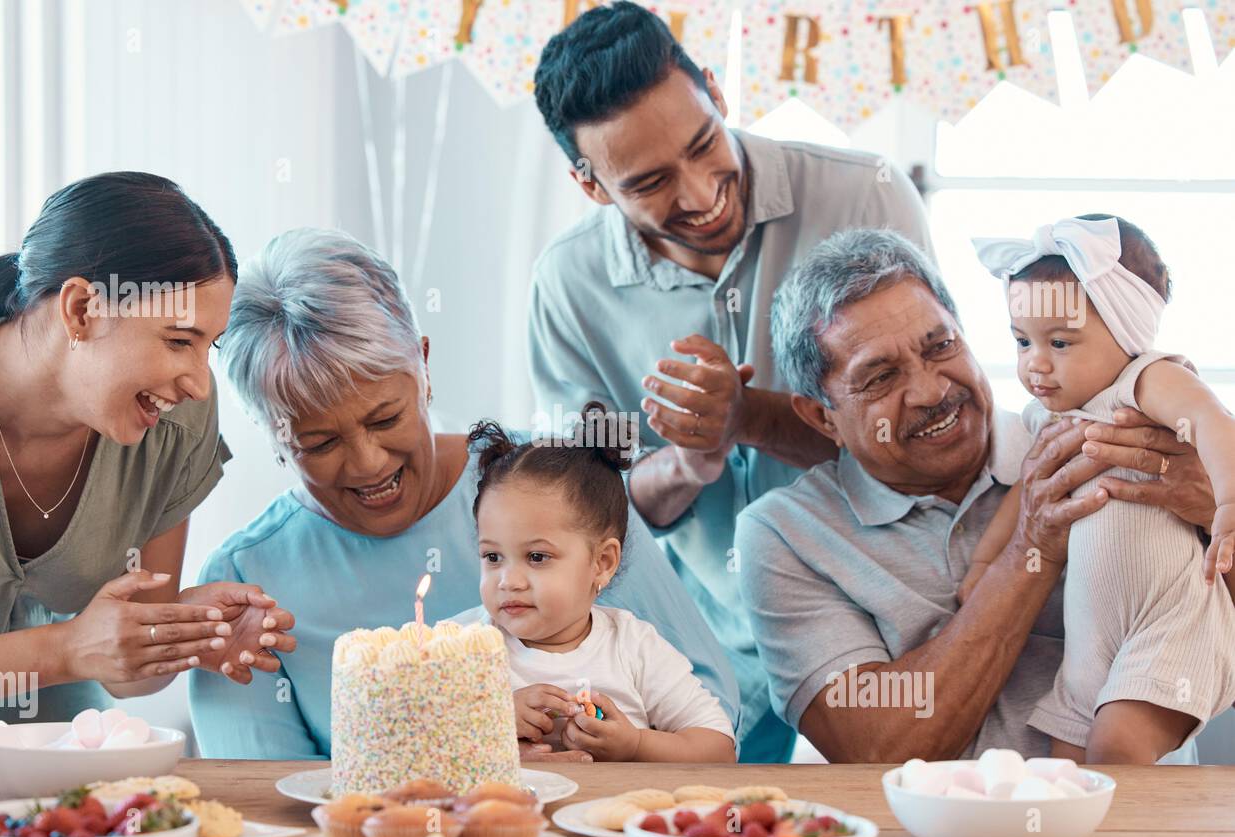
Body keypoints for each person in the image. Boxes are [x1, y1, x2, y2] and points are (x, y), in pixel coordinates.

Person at [527, 1, 934, 761]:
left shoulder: (866, 198)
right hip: (701, 635)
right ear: (591, 187)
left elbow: (931, 439)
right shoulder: (568, 286)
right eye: (648, 182)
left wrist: (746, 415)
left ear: (715, 89)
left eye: (703, 143)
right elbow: (582, 514)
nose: (700, 193)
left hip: (893, 616)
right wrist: (685, 464)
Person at [188, 227, 739, 760]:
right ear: (272, 437)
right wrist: (482, 761)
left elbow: (708, 707)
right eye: (319, 441)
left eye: (386, 418)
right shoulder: (241, 584)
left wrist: (602, 758)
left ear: (423, 364)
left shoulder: (557, 481)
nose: (368, 463)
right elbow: (262, 790)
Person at [735, 228, 1232, 761]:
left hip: (1140, 824)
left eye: (941, 346)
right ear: (821, 417)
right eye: (880, 377)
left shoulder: (1115, 439)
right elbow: (873, 747)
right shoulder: (782, 535)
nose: (932, 391)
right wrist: (1028, 549)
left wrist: (1211, 509)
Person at [0, 172, 295, 753]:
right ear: (81, 309)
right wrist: (67, 648)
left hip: (64, 775)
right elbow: (81, 649)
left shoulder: (174, 426)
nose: (200, 384)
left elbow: (131, 680)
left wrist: (183, 633)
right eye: (179, 340)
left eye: (211, 346)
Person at [964, 215, 1235, 763]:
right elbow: (1029, 493)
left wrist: (1228, 499)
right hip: (1091, 640)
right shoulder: (1046, 416)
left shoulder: (1146, 380)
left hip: (1168, 622)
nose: (1035, 363)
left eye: (1060, 342)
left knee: (1117, 747)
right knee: (1065, 759)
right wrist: (984, 566)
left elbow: (1212, 419)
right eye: (1021, 341)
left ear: (1127, 333)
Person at [460, 405, 737, 763]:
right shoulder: (463, 648)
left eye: (537, 557)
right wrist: (490, 723)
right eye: (493, 557)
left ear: (602, 563)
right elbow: (404, 744)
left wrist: (636, 745)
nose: (508, 582)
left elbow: (718, 751)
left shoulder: (634, 648)